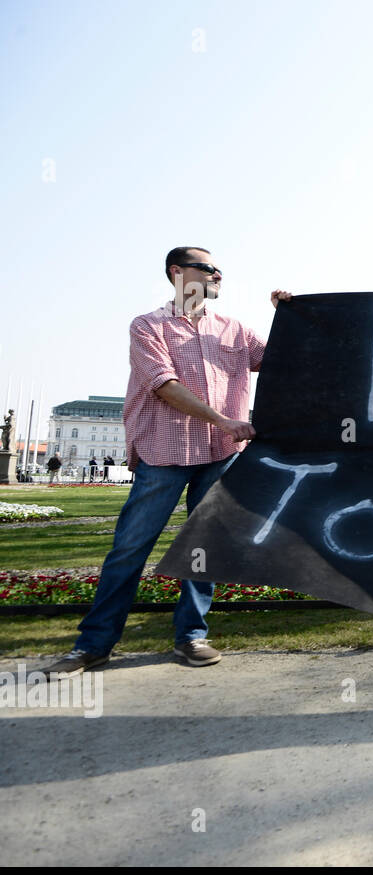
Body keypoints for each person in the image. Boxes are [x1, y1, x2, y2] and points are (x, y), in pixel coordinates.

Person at [40, 246, 293, 675]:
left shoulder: (233, 330)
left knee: (205, 548)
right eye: (208, 268)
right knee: (129, 548)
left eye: (219, 270)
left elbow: (285, 361)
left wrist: (287, 317)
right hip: (165, 452)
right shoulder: (148, 326)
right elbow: (164, 385)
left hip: (219, 455)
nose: (217, 275)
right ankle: (93, 645)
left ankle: (191, 636)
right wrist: (222, 420)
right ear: (177, 273)